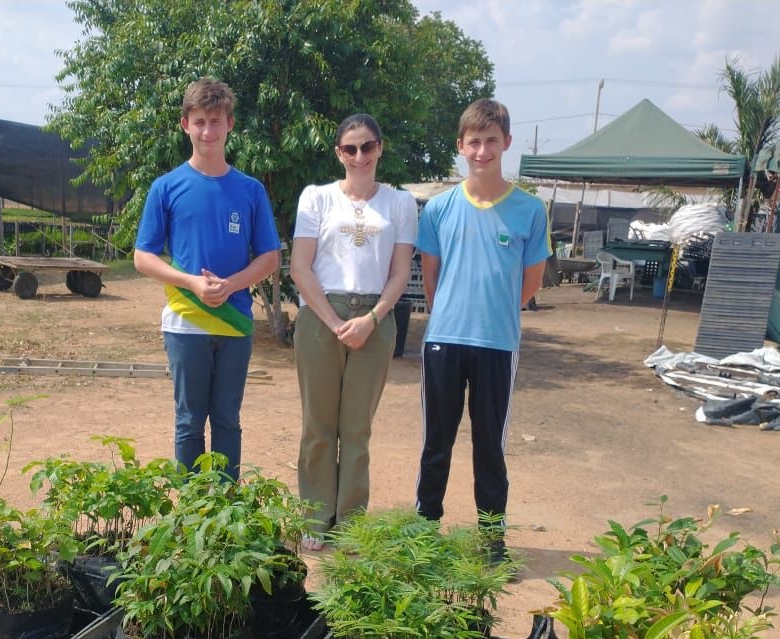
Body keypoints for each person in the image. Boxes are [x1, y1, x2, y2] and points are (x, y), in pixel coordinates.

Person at [415, 99, 550, 559]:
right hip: (444, 341)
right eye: (474, 141)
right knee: (437, 441)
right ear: (461, 146)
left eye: (491, 140)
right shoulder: (438, 209)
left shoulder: (530, 210)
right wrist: (452, 312)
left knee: (490, 447)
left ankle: (491, 539)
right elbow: (430, 275)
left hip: (497, 343)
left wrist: (496, 311)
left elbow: (530, 281)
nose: (482, 150)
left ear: (506, 143)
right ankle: (424, 529)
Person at [134, 78, 281, 481]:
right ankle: (191, 513)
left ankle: (225, 509)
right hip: (185, 321)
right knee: (189, 422)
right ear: (185, 124)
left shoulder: (250, 191)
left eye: (216, 121)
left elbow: (270, 256)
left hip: (235, 323)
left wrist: (231, 285)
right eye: (199, 121)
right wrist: (191, 283)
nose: (208, 132)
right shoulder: (166, 187)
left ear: (230, 124)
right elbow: (143, 257)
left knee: (228, 422)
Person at [290, 114, 418, 549]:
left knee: (357, 430)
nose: (359, 156)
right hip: (322, 316)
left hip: (375, 319)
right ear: (338, 153)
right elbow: (300, 267)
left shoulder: (400, 204)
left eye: (367, 146)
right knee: (318, 425)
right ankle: (314, 517)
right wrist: (333, 321)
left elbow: (400, 273)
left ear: (380, 148)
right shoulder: (317, 198)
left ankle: (349, 522)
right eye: (350, 148)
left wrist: (372, 319)